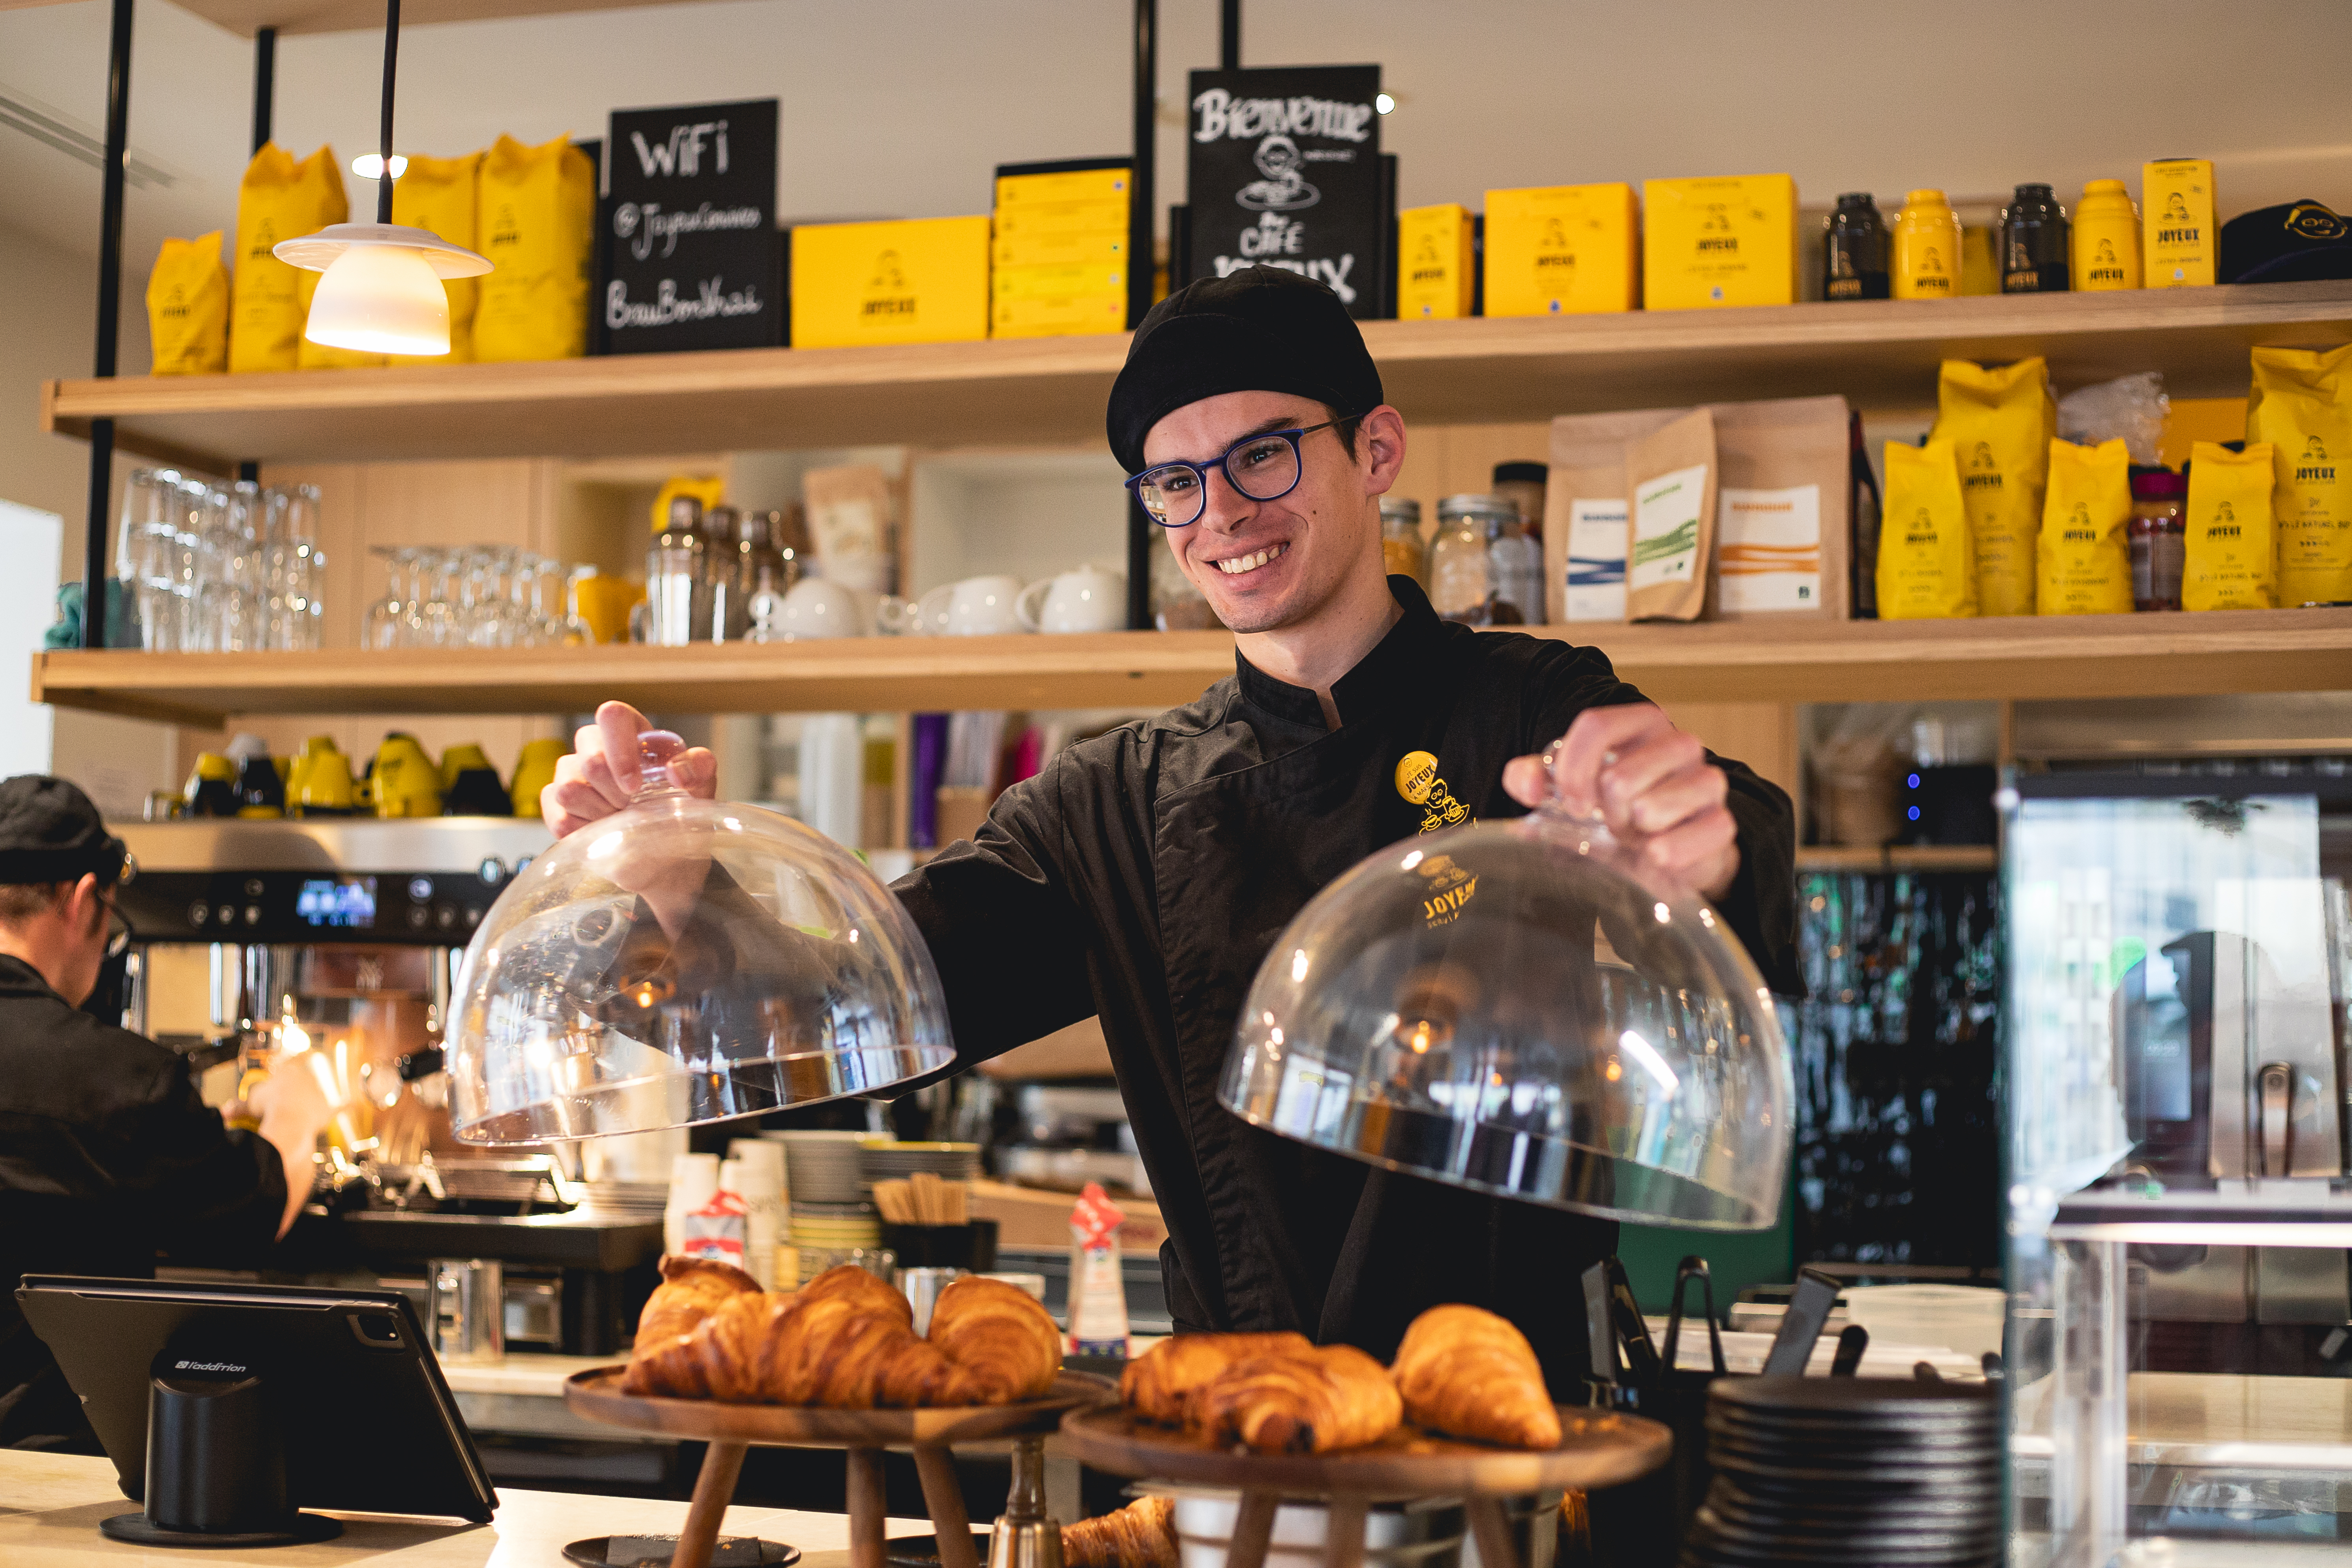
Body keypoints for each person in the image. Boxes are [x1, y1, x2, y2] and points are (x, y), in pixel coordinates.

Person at [547, 266, 1799, 1387]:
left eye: (1262, 455)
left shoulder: (1529, 707)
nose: (1222, 514)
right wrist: (677, 889)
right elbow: (852, 1005)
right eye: (1176, 483)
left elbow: (1710, 828)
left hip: (1517, 1430)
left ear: (1374, 450)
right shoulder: (1114, 803)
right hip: (1230, 1438)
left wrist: (1695, 837)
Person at [0, 776, 332, 1450]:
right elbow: (253, 1213)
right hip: (50, 1464)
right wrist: (295, 1110)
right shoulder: (116, 1076)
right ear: (85, 898)